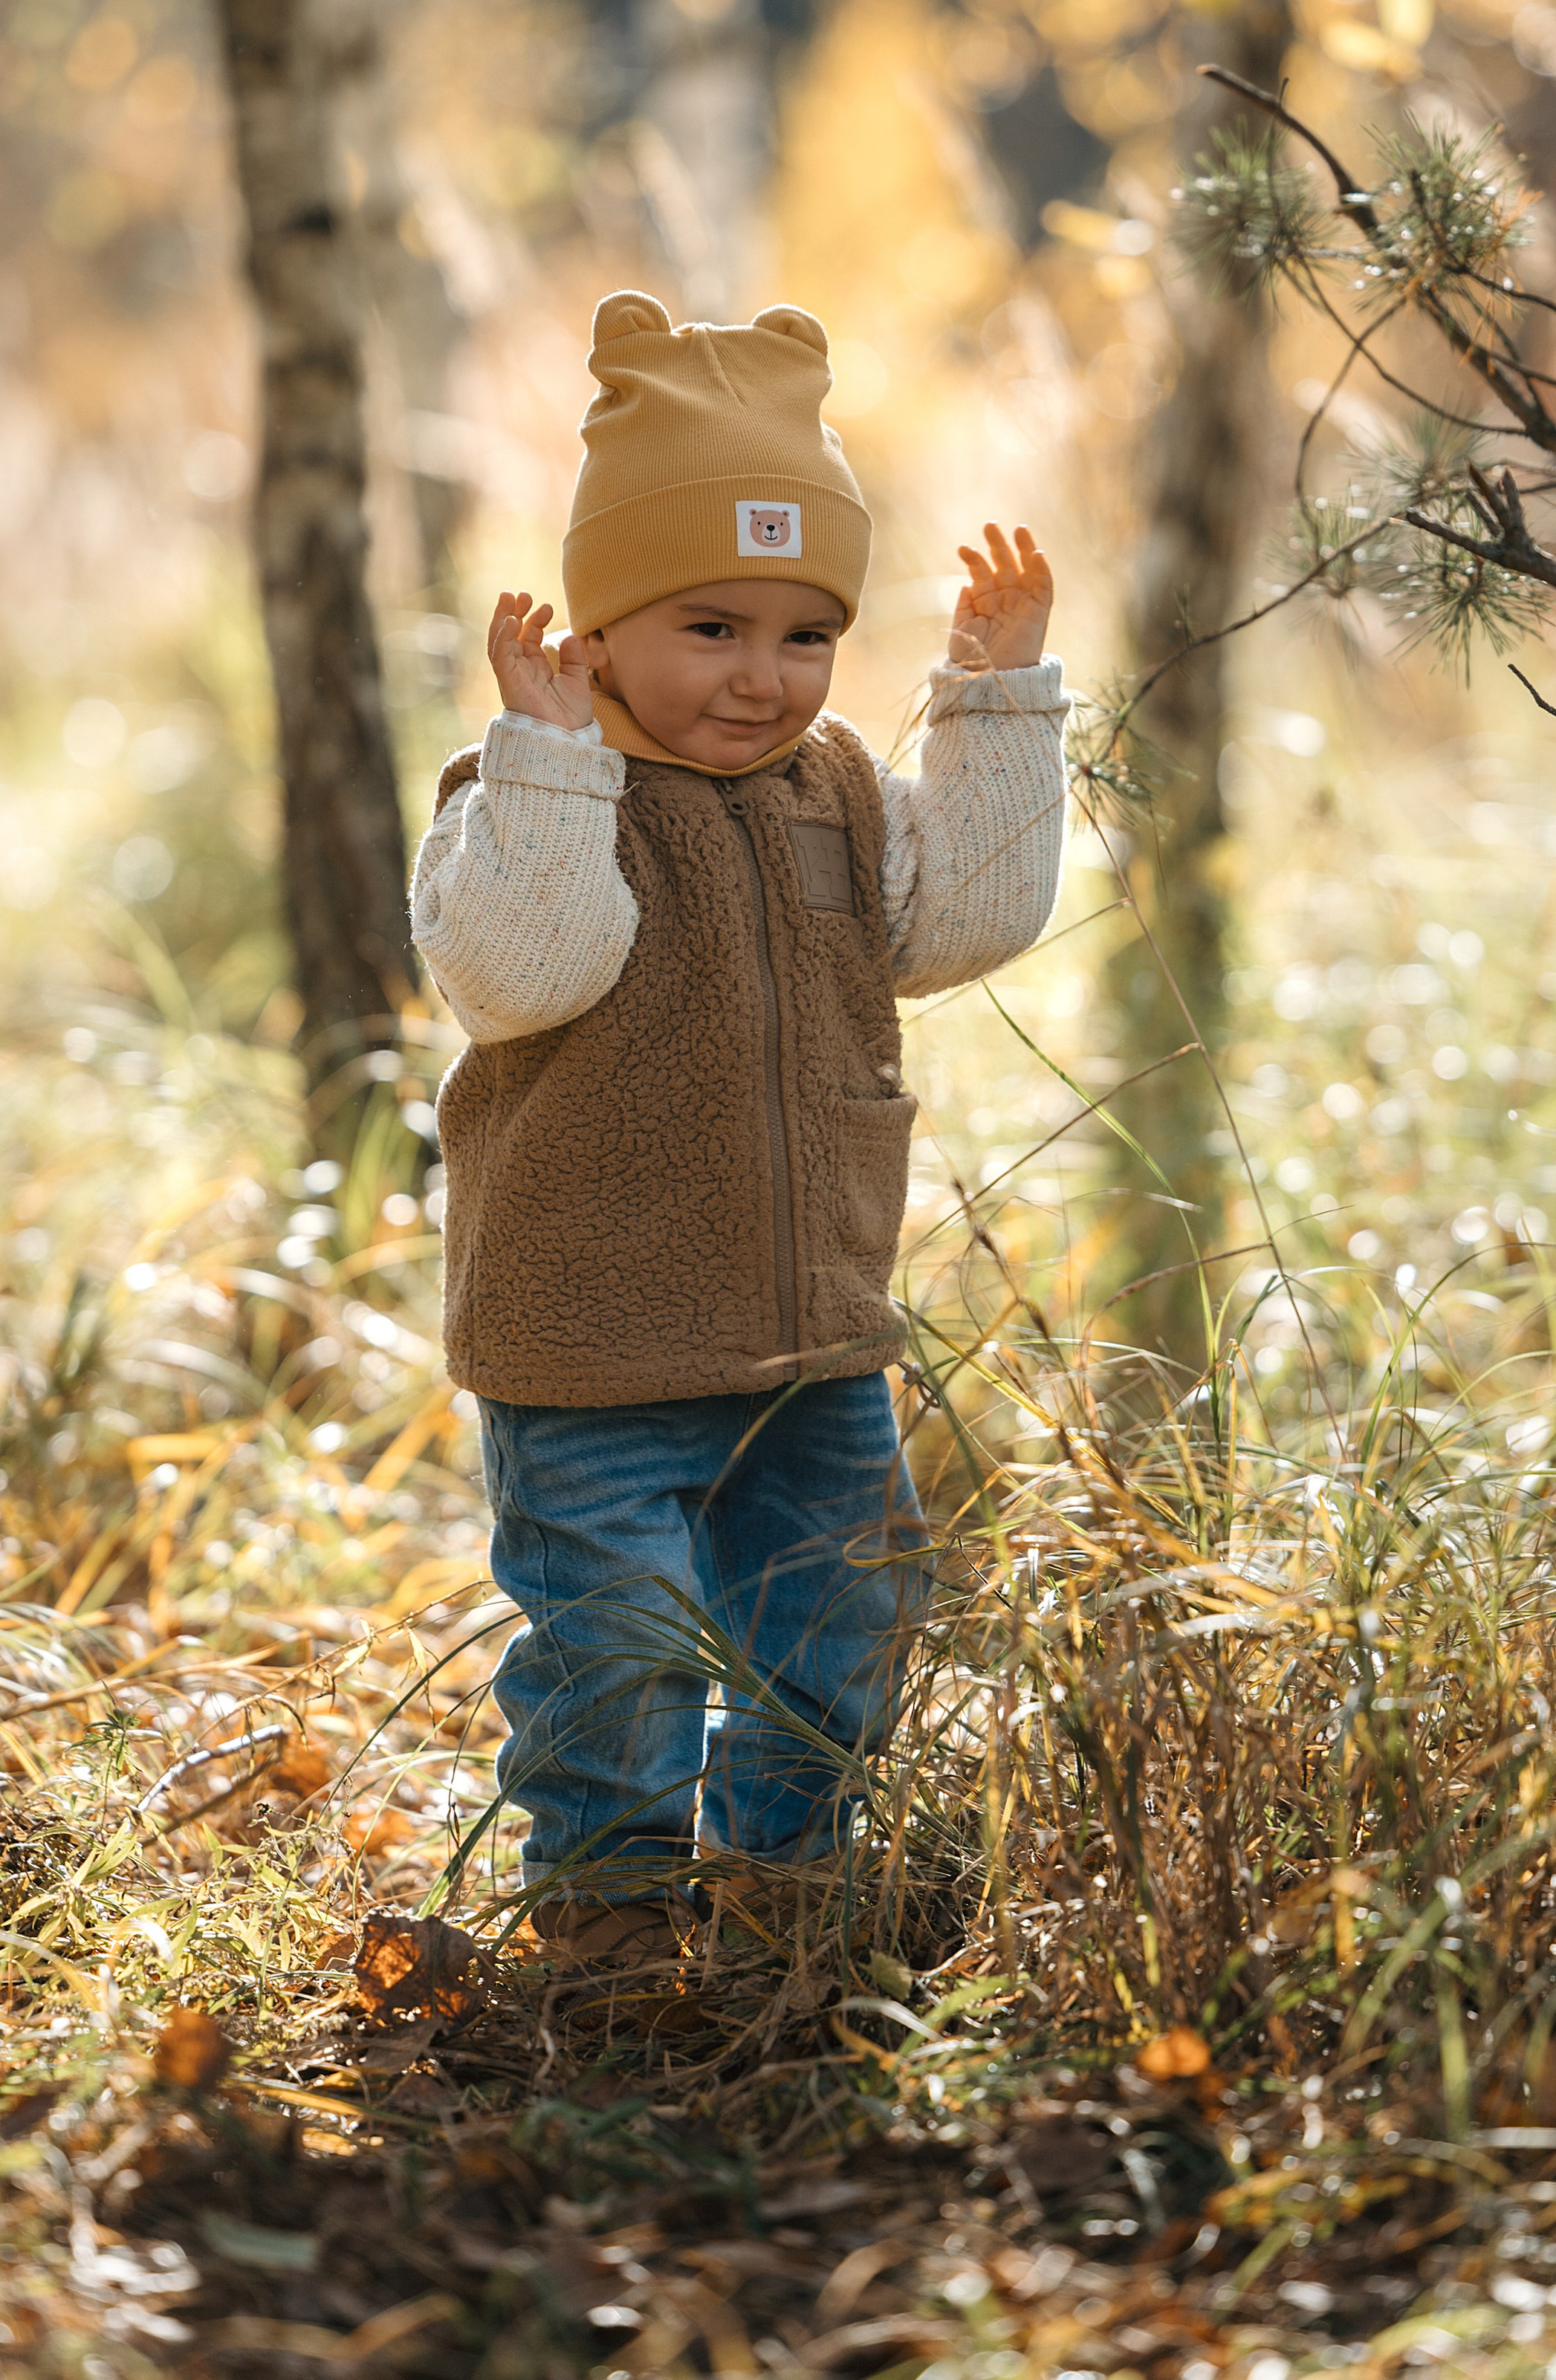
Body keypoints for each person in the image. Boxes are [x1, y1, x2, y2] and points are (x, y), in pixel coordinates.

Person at [410, 291, 1067, 1962]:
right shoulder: (530, 797)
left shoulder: (834, 783)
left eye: (802, 635)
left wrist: (991, 705)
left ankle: (784, 1883)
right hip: (590, 1336)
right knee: (617, 1644)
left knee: (840, 1619)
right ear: (596, 625)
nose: (761, 679)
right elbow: (522, 978)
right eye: (708, 628)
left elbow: (954, 927)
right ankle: (612, 1913)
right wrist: (552, 764)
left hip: (804, 1336)